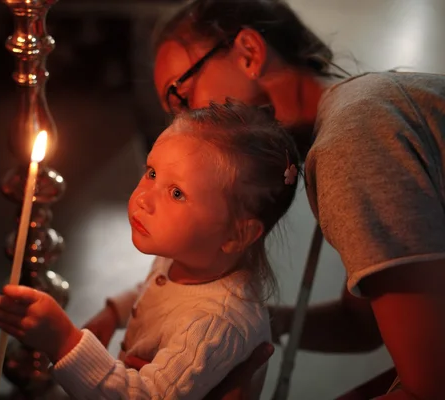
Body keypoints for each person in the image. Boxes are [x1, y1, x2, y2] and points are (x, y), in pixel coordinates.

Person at [150, 0, 445, 398]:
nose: (184, 128)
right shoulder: (357, 118)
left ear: (249, 53)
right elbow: (361, 327)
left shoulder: (353, 137)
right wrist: (235, 330)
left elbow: (430, 385)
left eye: (181, 97)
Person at [0, 101, 301, 399]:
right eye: (151, 173)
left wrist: (64, 341)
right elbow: (154, 290)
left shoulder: (213, 325)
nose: (143, 198)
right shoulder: (188, 258)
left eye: (176, 193)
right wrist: (113, 313)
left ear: (236, 233)